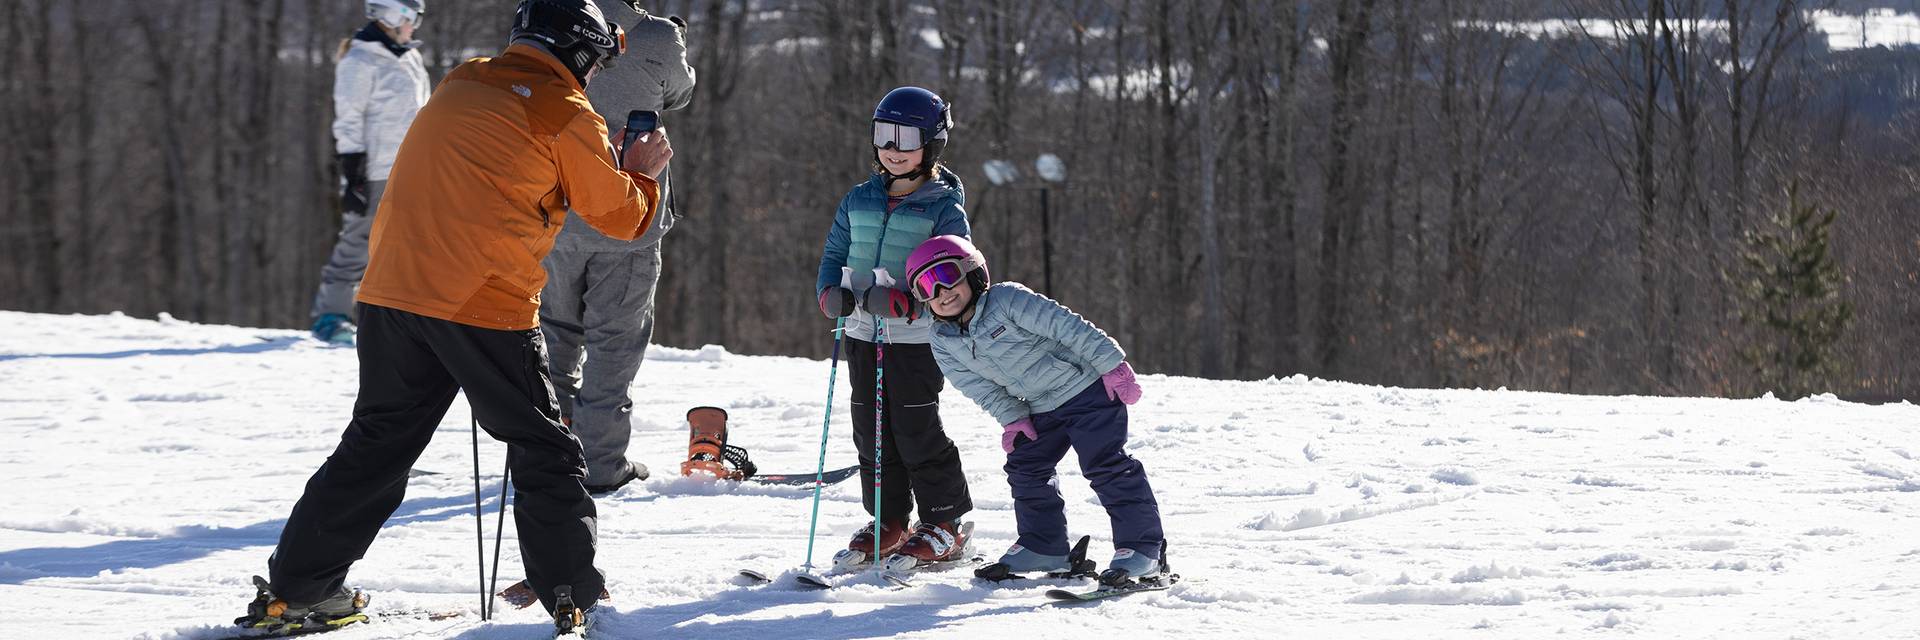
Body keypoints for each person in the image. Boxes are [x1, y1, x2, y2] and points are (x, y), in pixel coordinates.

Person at [236, 0, 670, 634]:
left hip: (390, 292)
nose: (596, 75)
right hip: (481, 302)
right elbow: (620, 218)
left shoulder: (463, 77)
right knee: (547, 450)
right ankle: (573, 597)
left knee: (375, 448)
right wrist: (642, 174)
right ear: (580, 50)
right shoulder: (566, 112)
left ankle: (296, 592)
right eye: (598, 59)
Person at [903, 235, 1170, 586]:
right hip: (1041, 407)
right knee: (1026, 466)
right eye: (927, 286)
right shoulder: (942, 339)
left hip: (1086, 390)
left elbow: (1067, 326)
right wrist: (1013, 418)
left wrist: (1111, 364)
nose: (942, 291)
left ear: (972, 273)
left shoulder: (1007, 300)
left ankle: (1142, 550)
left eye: (947, 276)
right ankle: (1043, 545)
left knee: (1104, 464)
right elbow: (977, 386)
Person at [814, 87, 975, 569]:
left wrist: (911, 301)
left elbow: (957, 271)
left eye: (906, 138)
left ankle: (943, 522)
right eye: (884, 135)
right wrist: (830, 294)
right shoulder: (858, 199)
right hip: (863, 334)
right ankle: (888, 518)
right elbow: (833, 256)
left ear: (932, 145)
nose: (893, 148)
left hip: (914, 339)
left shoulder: (942, 207)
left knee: (915, 428)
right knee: (871, 430)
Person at [540, 1, 697, 495]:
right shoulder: (654, 35)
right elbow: (681, 91)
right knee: (614, 343)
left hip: (557, 213)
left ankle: (545, 456)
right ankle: (601, 464)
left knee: (552, 337)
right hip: (630, 218)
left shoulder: (550, 18)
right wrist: (677, 41)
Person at [309, 0, 431, 345]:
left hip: (412, 166)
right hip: (374, 169)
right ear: (393, 16)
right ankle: (331, 317)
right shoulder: (359, 61)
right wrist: (353, 171)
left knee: (409, 244)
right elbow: (348, 119)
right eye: (413, 20)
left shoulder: (409, 57)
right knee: (359, 240)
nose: (415, 28)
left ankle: (399, 320)